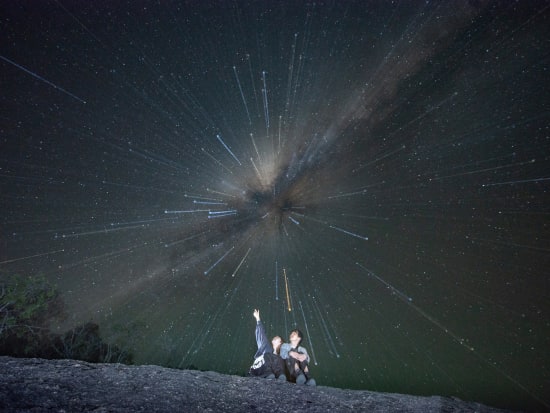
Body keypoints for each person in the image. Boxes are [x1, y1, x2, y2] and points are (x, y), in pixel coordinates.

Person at [248, 309, 286, 381]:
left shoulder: (280, 356)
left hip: (273, 373)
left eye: (278, 338)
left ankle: (280, 375)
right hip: (257, 369)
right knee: (268, 355)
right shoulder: (267, 348)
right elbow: (261, 335)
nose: (275, 337)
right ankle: (267, 373)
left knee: (280, 359)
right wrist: (258, 319)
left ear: (280, 342)